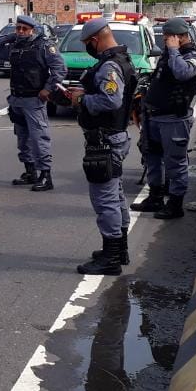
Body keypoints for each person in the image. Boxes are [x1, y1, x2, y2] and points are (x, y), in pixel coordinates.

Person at [66, 17, 138, 275]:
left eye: (87, 43)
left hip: (105, 140)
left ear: (95, 40)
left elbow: (110, 101)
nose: (87, 47)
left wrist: (81, 100)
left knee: (105, 200)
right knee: (115, 196)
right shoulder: (122, 59)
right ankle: (119, 249)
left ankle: (111, 257)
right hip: (114, 136)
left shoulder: (110, 66)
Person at [131, 17, 196, 220]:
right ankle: (155, 197)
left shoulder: (194, 57)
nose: (164, 42)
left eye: (167, 38)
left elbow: (182, 73)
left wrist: (174, 50)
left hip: (174, 119)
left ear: (179, 37)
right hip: (154, 117)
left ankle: (175, 204)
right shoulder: (167, 56)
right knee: (152, 158)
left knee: (175, 162)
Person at [0, 14, 66, 192]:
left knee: (39, 138)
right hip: (17, 99)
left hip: (34, 100)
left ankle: (45, 175)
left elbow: (60, 69)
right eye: (18, 28)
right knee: (22, 139)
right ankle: (30, 172)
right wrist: (10, 36)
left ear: (33, 30)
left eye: (24, 29)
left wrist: (48, 89)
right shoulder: (14, 45)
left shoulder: (43, 46)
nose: (21, 31)